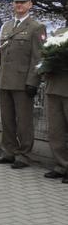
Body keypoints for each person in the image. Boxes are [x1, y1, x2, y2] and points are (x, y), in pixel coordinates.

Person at [0, 0, 47, 169]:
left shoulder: (36, 27)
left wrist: (33, 82)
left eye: (23, 2)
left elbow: (38, 58)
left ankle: (23, 155)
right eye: (16, 2)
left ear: (30, 4)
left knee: (24, 122)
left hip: (23, 83)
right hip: (5, 80)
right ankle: (8, 152)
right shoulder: (6, 26)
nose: (19, 5)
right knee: (7, 120)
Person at [42, 26, 68, 184]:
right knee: (55, 131)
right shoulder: (59, 33)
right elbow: (45, 55)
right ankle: (61, 165)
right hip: (54, 88)